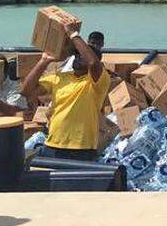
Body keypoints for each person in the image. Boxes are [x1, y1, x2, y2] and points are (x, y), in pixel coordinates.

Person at [20, 21, 110, 160]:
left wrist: (73, 34)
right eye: (77, 54)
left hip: (82, 149)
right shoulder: (59, 77)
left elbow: (93, 63)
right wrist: (44, 61)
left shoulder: (98, 81)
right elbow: (26, 91)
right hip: (53, 145)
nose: (79, 57)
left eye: (83, 55)